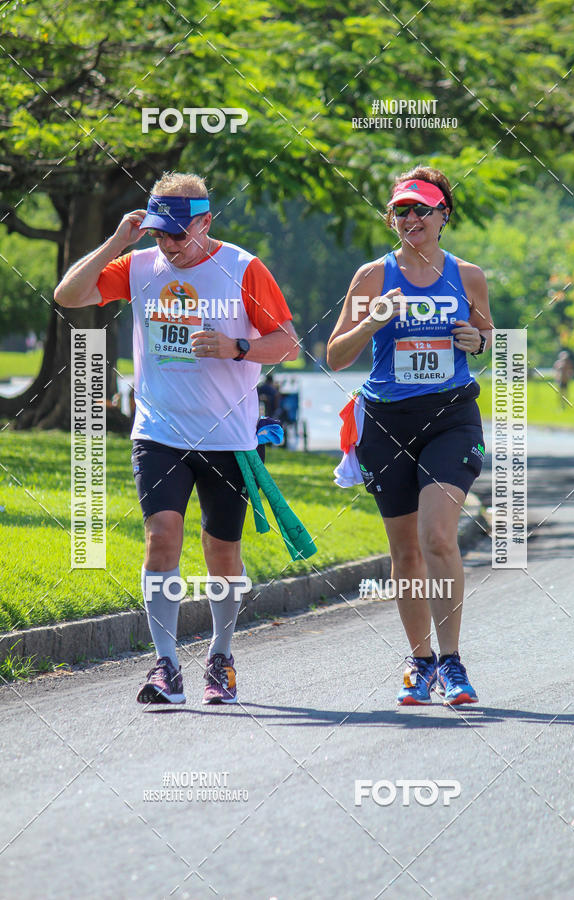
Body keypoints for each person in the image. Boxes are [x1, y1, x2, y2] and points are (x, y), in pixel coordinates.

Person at [55, 171, 298, 705]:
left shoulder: (242, 268)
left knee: (222, 554)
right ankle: (165, 665)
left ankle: (221, 655)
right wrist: (119, 241)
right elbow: (68, 294)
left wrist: (236, 347)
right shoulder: (139, 265)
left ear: (207, 222)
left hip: (227, 438)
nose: (169, 244)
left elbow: (287, 344)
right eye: (160, 232)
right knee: (162, 537)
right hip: (159, 432)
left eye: (179, 234)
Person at [327, 166, 493, 706]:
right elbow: (335, 355)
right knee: (405, 552)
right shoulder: (373, 276)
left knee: (438, 536)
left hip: (450, 416)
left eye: (423, 208)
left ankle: (453, 663)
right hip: (386, 422)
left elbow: (485, 334)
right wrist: (372, 321)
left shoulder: (468, 277)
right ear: (391, 218)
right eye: (402, 209)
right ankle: (420, 662)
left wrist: (476, 339)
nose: (412, 218)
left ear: (445, 215)